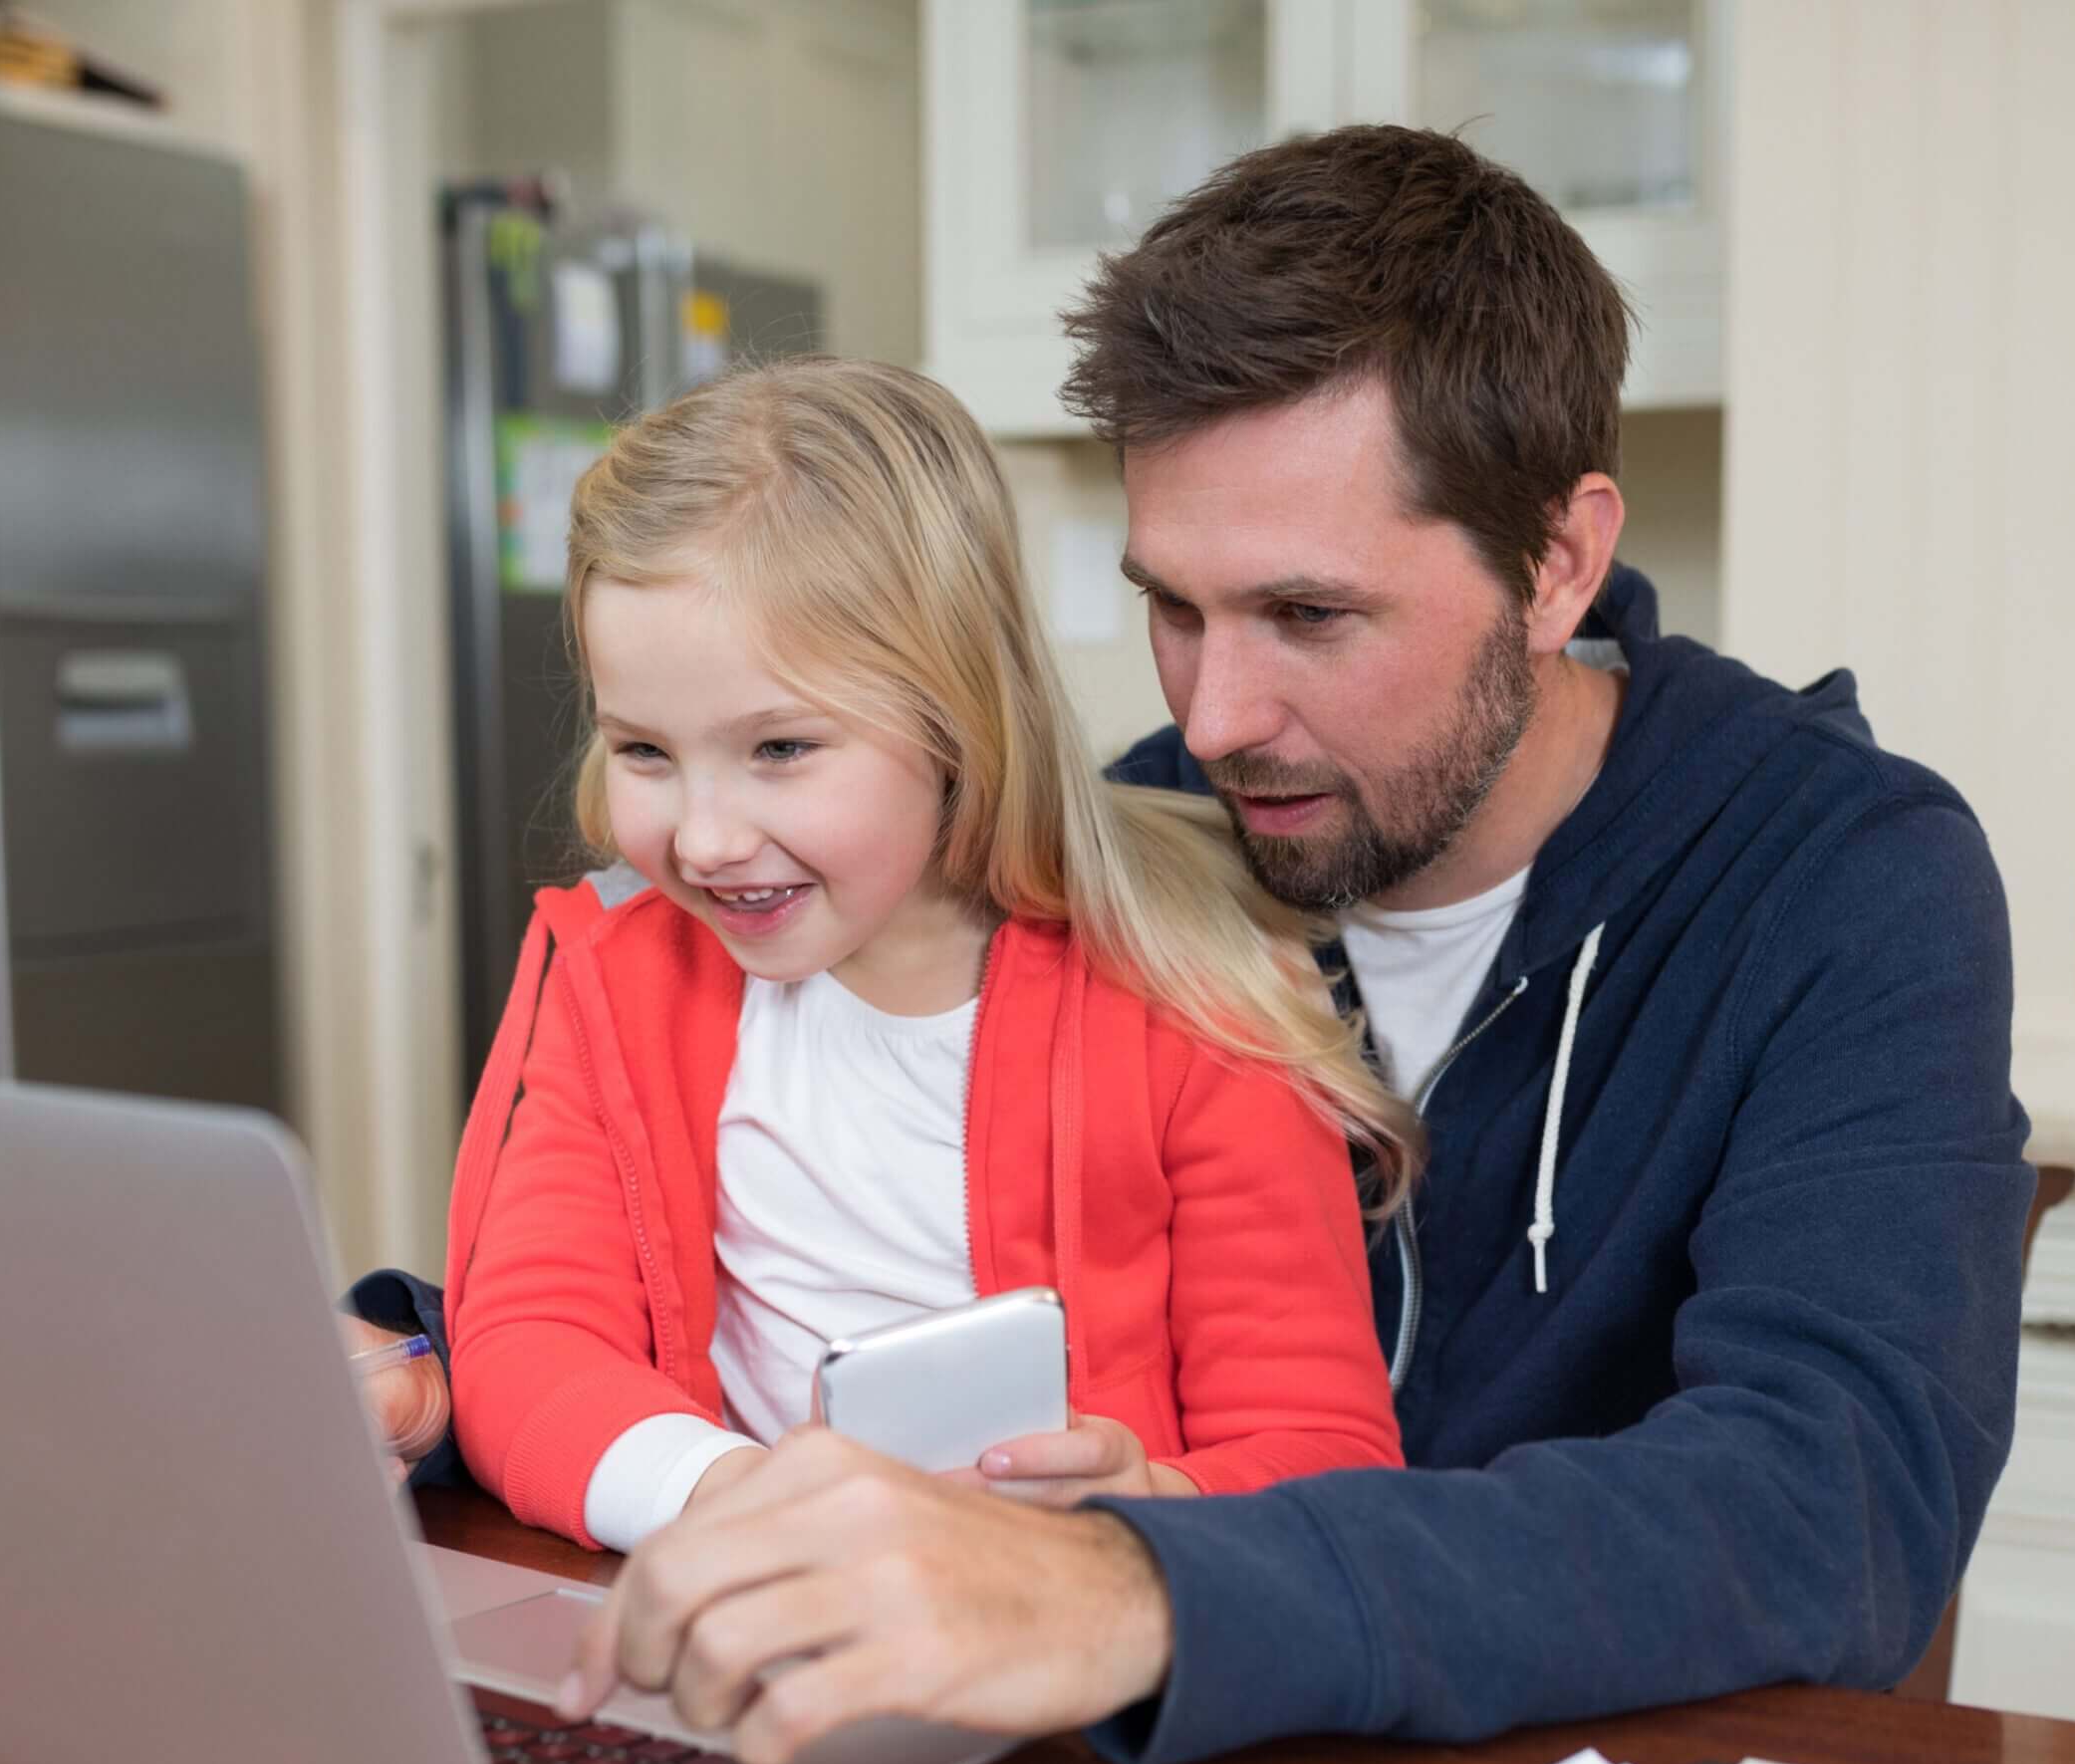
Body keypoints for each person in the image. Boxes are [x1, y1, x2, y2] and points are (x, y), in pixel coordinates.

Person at [369, 126, 2033, 1764]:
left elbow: (1834, 1505)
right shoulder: (1154, 843)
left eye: (1309, 616)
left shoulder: (1840, 876)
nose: (1216, 721)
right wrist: (447, 1372)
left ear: (1559, 564)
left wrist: (1137, 1583)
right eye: (1172, 606)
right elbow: (805, 1229)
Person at [384, 355, 1410, 1556]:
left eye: (779, 749)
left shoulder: (1193, 1008)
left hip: (1074, 1682)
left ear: (957, 722)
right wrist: (737, 1506)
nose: (707, 838)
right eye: (645, 751)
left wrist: (1152, 1516)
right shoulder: (613, 977)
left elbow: (1325, 1457)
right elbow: (527, 1344)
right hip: (748, 1632)